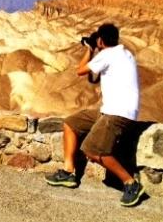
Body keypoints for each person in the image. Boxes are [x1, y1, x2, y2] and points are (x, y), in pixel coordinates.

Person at [45, 23, 145, 207]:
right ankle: (69, 172)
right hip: (112, 109)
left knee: (92, 149)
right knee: (71, 123)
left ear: (100, 40)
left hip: (118, 113)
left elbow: (80, 70)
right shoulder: (124, 53)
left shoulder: (107, 55)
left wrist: (89, 50)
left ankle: (131, 184)